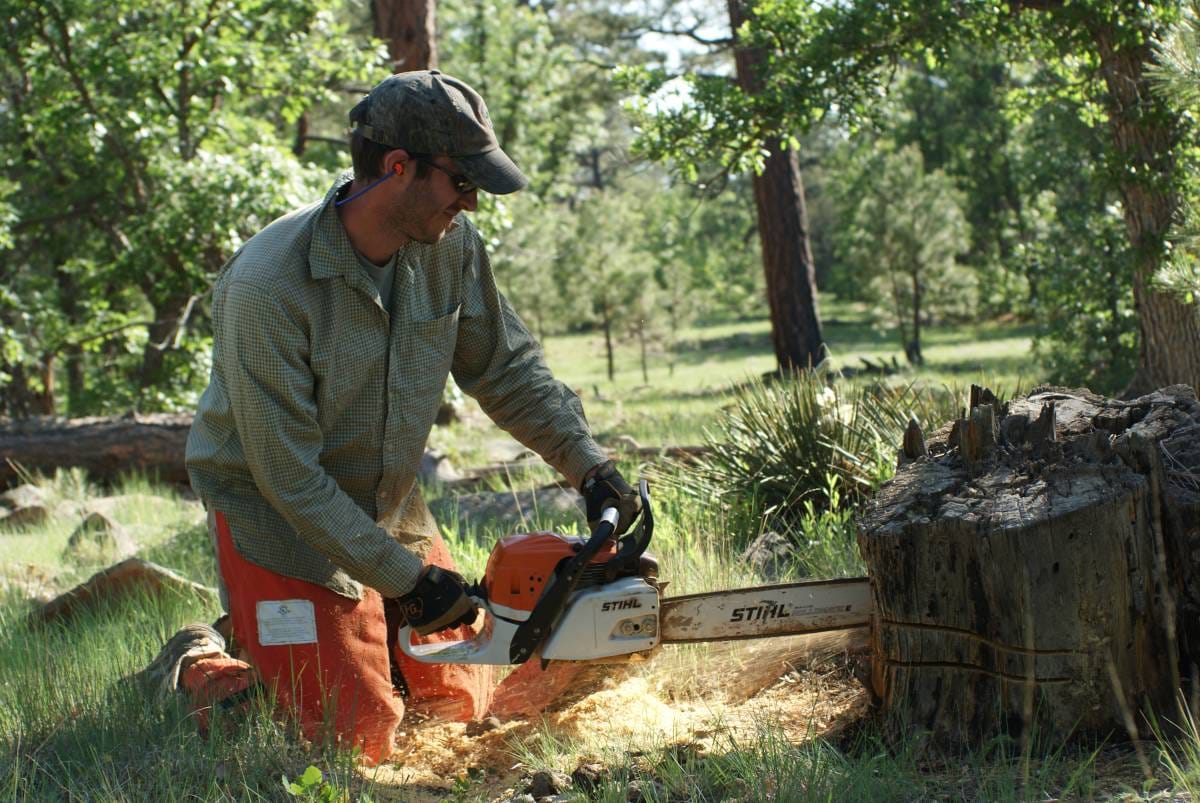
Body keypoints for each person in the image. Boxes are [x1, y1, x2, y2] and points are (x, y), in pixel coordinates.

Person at [138, 70, 639, 764]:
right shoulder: (267, 288)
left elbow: (505, 367)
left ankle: (352, 641)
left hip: (386, 502)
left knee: (461, 706)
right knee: (355, 741)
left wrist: (590, 467)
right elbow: (290, 479)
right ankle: (199, 663)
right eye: (461, 182)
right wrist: (407, 580)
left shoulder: (450, 247)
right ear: (398, 166)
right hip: (278, 520)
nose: (470, 203)